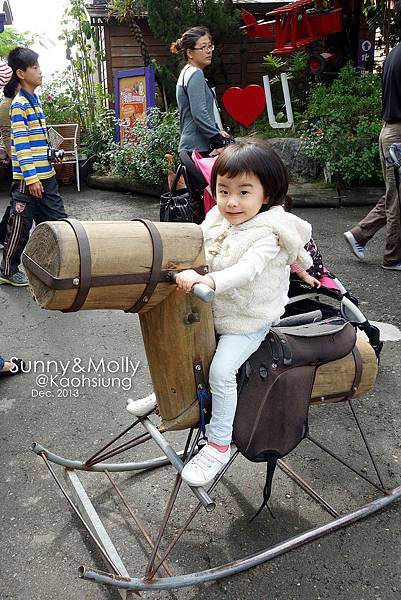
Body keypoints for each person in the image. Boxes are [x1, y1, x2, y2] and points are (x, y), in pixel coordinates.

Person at [127, 138, 313, 486]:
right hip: (216, 310)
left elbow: (248, 270)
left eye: (244, 192)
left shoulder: (268, 234)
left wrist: (209, 281)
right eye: (223, 190)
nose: (231, 201)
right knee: (179, 343)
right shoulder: (217, 216)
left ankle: (218, 444)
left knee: (223, 371)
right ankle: (168, 394)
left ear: (267, 195)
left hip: (247, 319)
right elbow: (195, 240)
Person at [0, 47, 67, 287]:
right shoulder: (19, 105)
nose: (40, 71)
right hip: (30, 180)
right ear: (20, 73)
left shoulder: (35, 101)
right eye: (35, 67)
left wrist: (50, 155)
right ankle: (7, 269)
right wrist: (31, 178)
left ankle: (53, 263)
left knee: (59, 222)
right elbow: (21, 145)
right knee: (20, 227)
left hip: (45, 176)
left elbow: (37, 141)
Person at [343, 1, 401, 272]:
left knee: (395, 194)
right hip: (399, 133)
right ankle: (393, 258)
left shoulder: (394, 53)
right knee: (397, 200)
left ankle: (360, 234)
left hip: (388, 130)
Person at [170, 26, 231, 156]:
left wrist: (216, 130)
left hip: (191, 147)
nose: (208, 51)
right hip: (198, 148)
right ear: (190, 53)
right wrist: (217, 139)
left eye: (210, 46)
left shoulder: (186, 72)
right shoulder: (195, 74)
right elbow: (199, 112)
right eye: (203, 47)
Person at [0, 77, 20, 247]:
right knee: (17, 198)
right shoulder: (9, 105)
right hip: (17, 157)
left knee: (17, 198)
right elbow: (9, 135)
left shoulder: (8, 103)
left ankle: (1, 235)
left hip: (15, 155)